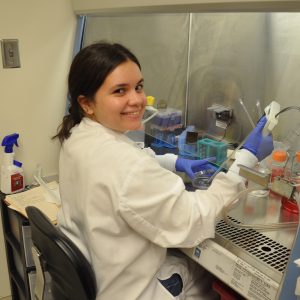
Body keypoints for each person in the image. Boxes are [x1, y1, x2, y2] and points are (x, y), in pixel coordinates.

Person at [53, 41, 273, 300]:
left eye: (138, 87)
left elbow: (131, 161)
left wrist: (176, 163)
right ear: (87, 103)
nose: (137, 100)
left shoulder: (78, 136)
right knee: (208, 276)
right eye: (119, 91)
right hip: (129, 291)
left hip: (101, 275)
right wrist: (246, 158)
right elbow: (193, 219)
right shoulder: (125, 166)